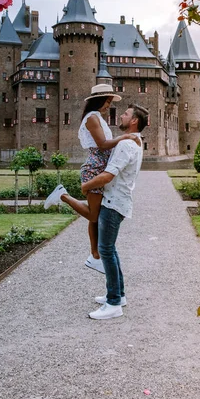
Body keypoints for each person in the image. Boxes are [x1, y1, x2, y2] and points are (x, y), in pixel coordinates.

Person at [43, 84, 139, 273]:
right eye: (107, 102)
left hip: (99, 167)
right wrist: (125, 137)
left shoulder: (97, 118)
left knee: (95, 217)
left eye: (110, 102)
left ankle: (95, 256)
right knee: (94, 215)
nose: (108, 106)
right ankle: (63, 195)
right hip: (94, 169)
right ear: (99, 100)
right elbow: (103, 145)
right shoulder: (92, 118)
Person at [83, 103, 148, 320]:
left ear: (134, 121)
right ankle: (119, 294)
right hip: (118, 201)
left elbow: (108, 175)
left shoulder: (126, 145)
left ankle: (113, 304)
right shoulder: (135, 142)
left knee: (107, 250)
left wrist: (86, 185)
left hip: (113, 202)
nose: (120, 115)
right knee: (110, 249)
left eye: (126, 114)